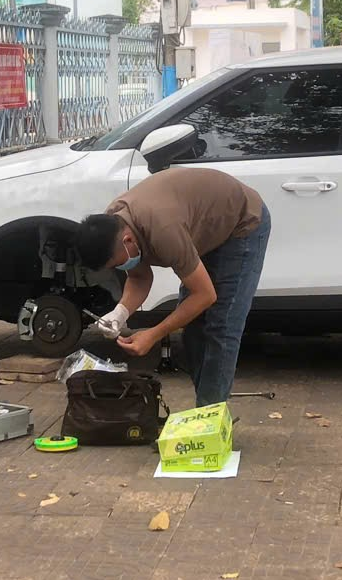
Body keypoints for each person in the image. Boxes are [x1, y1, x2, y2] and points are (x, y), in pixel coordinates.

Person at [74, 167, 272, 408]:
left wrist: (153, 335)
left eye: (118, 263)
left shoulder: (163, 230)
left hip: (241, 222)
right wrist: (120, 313)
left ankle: (210, 417)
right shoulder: (114, 225)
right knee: (193, 331)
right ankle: (208, 411)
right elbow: (138, 277)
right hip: (203, 225)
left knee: (221, 326)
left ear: (127, 241)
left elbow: (205, 296)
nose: (123, 266)